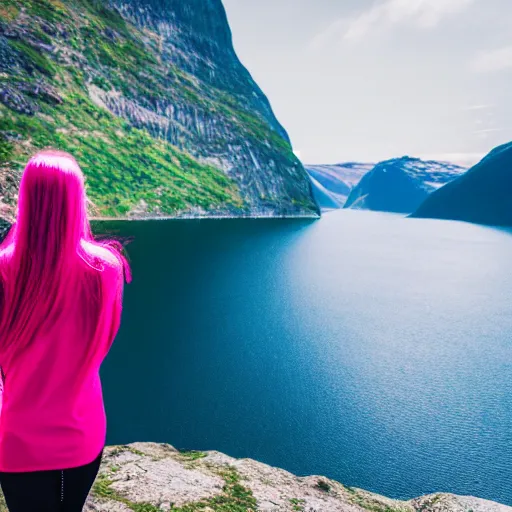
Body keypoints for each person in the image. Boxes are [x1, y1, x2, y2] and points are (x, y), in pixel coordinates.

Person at [0, 150, 131, 511]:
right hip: (82, 433)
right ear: (77, 200)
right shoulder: (105, 269)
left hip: (16, 442)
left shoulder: (3, 271)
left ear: (24, 198)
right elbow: (102, 342)